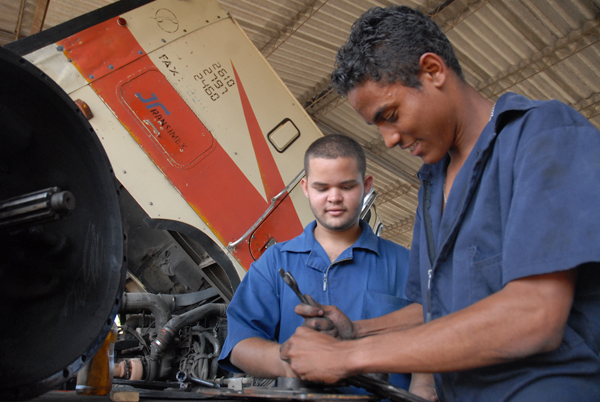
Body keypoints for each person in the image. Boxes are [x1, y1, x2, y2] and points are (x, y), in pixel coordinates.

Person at [279, 5, 600, 402]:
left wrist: (350, 355)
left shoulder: (544, 137)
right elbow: (436, 312)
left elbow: (534, 315)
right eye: (377, 127)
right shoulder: (433, 183)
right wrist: (358, 330)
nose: (389, 140)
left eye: (390, 115)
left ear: (433, 71)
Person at [218, 134, 434, 396]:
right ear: (306, 188)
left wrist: (424, 385)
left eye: (346, 187)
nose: (334, 198)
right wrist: (287, 361)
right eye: (322, 188)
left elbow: (436, 331)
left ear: (366, 185)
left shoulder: (407, 263)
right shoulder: (275, 262)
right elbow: (239, 343)